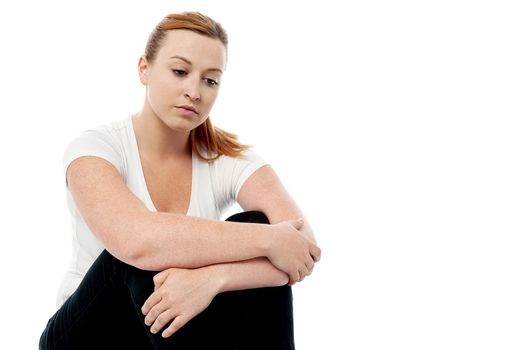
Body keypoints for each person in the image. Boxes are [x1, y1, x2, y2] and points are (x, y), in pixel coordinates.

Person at [39, 11, 321, 350]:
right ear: (144, 68)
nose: (194, 91)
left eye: (210, 80)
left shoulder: (227, 160)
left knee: (256, 222)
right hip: (85, 336)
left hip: (165, 334)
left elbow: (303, 246)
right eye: (180, 72)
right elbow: (136, 241)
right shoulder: (94, 149)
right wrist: (268, 241)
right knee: (139, 256)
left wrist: (215, 278)